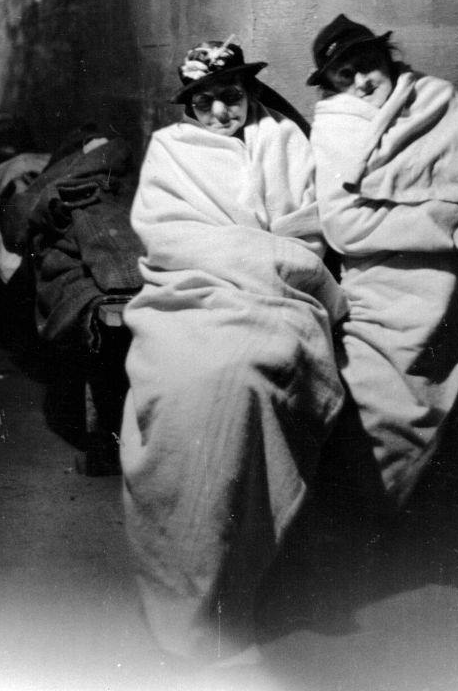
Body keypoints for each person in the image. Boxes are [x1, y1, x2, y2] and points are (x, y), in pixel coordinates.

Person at [119, 38, 347, 669]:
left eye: (232, 99)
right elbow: (168, 236)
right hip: (193, 292)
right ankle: (188, 576)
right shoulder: (171, 149)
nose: (222, 113)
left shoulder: (282, 138)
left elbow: (310, 222)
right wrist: (250, 249)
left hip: (275, 294)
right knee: (188, 381)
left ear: (248, 95)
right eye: (208, 102)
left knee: (252, 371)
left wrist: (270, 255)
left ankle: (237, 570)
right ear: (189, 107)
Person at [307, 14, 458, 512]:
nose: (363, 82)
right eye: (345, 76)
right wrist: (442, 219)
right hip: (380, 281)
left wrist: (447, 221)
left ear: (386, 58)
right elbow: (345, 227)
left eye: (368, 65)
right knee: (373, 394)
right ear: (331, 85)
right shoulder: (334, 127)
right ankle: (373, 514)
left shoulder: (437, 100)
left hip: (449, 277)